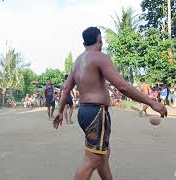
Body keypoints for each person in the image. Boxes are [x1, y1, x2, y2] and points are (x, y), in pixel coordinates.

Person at [53, 27, 167, 180]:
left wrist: (60, 111)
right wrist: (151, 102)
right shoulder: (100, 57)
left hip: (85, 112)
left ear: (84, 43)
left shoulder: (77, 62)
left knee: (102, 154)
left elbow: (66, 88)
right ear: (99, 39)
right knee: (93, 159)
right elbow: (122, 86)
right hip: (96, 113)